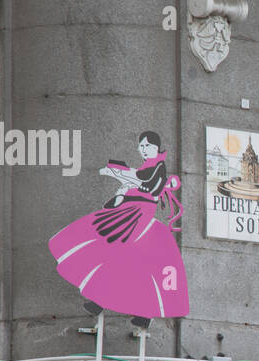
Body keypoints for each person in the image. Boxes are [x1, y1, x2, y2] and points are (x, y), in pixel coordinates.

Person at [48, 131, 189, 328]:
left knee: (120, 257)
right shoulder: (148, 165)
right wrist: (122, 186)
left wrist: (124, 176)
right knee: (113, 256)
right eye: (141, 146)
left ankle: (133, 310)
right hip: (129, 213)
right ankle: (105, 302)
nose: (143, 149)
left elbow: (148, 185)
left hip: (137, 218)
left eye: (147, 146)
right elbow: (138, 183)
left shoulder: (158, 166)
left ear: (157, 147)